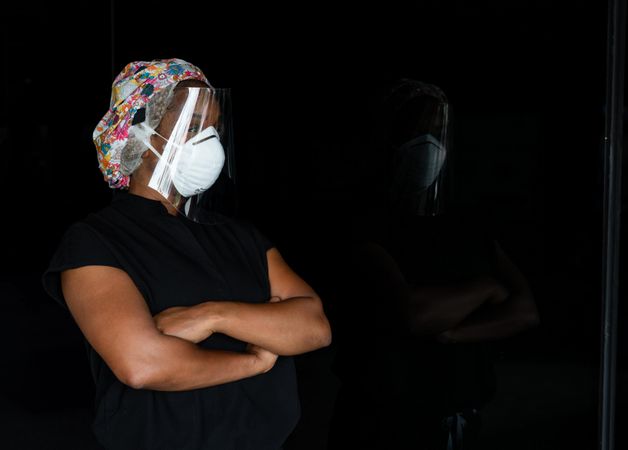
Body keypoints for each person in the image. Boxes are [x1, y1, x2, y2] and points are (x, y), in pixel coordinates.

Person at [42, 58, 332, 450]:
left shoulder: (238, 234)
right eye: (192, 127)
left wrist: (211, 315)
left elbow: (313, 325)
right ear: (138, 136)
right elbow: (143, 364)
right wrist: (254, 361)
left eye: (213, 127)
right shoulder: (95, 241)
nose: (208, 141)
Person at [328, 79, 539, 450]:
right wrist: (487, 289)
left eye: (437, 131)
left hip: (459, 422)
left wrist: (453, 333)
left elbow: (524, 311)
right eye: (415, 130)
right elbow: (414, 314)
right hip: (385, 425)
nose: (427, 143)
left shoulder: (466, 224)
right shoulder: (363, 223)